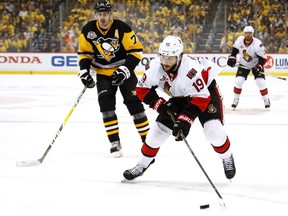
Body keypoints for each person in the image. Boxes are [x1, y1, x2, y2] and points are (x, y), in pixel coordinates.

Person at [123, 35, 236, 181]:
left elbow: (201, 98)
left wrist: (185, 121)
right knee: (156, 133)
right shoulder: (154, 67)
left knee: (213, 131)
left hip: (206, 93)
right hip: (180, 97)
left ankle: (227, 157)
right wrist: (159, 104)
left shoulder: (190, 70)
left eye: (171, 58)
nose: (166, 62)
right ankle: (142, 164)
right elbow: (141, 89)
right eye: (164, 57)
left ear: (179, 57)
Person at [77, 0, 149, 157]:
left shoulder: (122, 28)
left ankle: (148, 141)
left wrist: (124, 70)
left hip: (124, 72)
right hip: (103, 74)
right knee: (106, 107)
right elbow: (85, 54)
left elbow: (136, 51)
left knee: (135, 105)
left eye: (105, 14)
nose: (102, 18)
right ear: (95, 14)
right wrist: (84, 71)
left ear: (110, 14)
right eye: (99, 14)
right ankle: (115, 143)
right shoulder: (88, 30)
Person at [227, 25, 270, 109]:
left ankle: (266, 99)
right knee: (238, 81)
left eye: (249, 33)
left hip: (256, 64)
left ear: (252, 34)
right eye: (246, 33)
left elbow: (263, 58)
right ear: (244, 33)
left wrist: (259, 66)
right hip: (244, 64)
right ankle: (235, 100)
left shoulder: (257, 44)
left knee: (260, 82)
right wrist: (232, 58)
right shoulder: (239, 40)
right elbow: (235, 50)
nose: (248, 35)